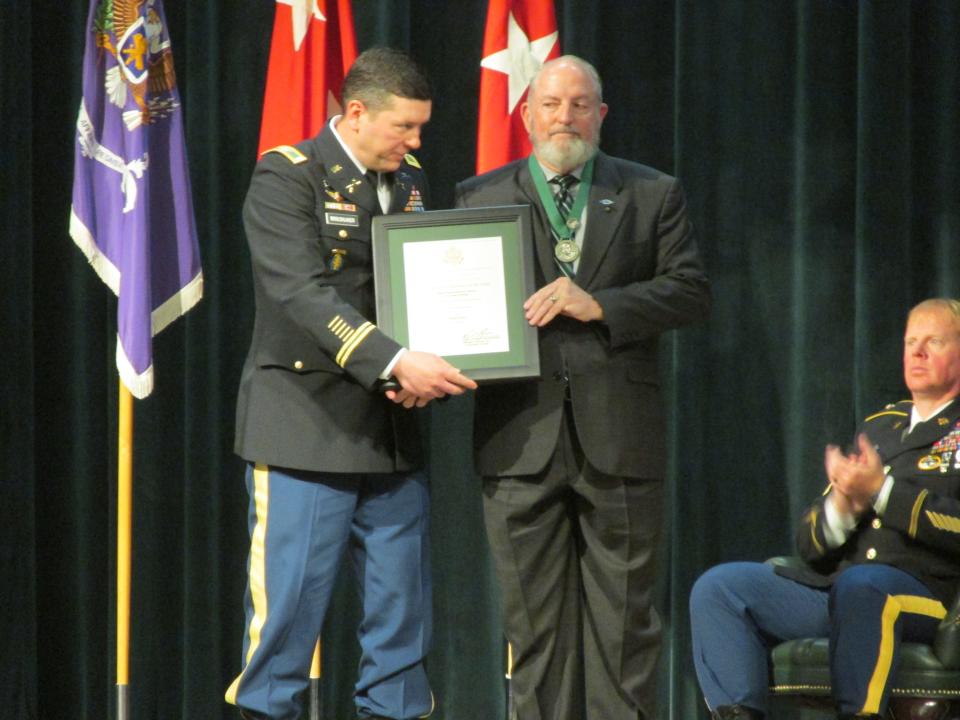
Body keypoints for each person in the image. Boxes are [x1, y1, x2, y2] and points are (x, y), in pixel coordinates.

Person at [454, 55, 710, 720]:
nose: (563, 116)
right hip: (517, 440)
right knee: (533, 635)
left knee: (625, 633)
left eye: (579, 104)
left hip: (620, 441)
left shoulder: (652, 193)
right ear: (526, 115)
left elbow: (688, 292)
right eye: (550, 103)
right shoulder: (478, 198)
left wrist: (600, 305)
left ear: (601, 116)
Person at [226, 47, 477, 720]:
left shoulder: (411, 179)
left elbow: (422, 286)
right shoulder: (288, 178)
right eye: (405, 127)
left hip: (390, 430)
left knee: (402, 623)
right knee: (287, 620)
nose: (417, 142)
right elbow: (301, 297)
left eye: (422, 128)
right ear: (356, 113)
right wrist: (397, 361)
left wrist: (431, 362)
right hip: (304, 426)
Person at [689, 298, 960, 720]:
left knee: (865, 587)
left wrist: (882, 492)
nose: (917, 353)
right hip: (841, 589)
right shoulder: (879, 426)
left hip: (926, 595)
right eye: (910, 342)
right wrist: (841, 508)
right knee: (720, 588)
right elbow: (811, 545)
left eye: (934, 342)